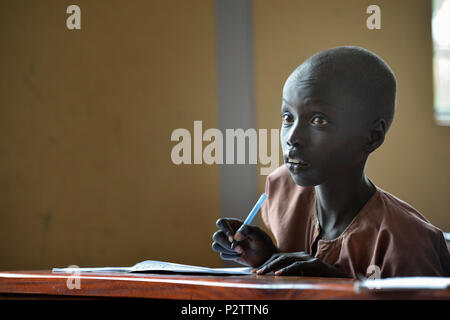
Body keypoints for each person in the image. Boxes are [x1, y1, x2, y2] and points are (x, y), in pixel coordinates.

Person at [212, 46, 450, 278]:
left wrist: (340, 289)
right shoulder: (285, 190)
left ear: (372, 136)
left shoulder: (406, 242)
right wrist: (269, 258)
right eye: (288, 117)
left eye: (319, 120)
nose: (292, 137)